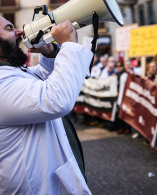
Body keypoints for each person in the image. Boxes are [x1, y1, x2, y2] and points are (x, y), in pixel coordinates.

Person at [0, 18, 92, 194]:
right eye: (9, 28)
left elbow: (43, 77)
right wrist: (69, 44)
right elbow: (56, 100)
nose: (19, 32)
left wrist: (50, 53)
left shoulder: (11, 73)